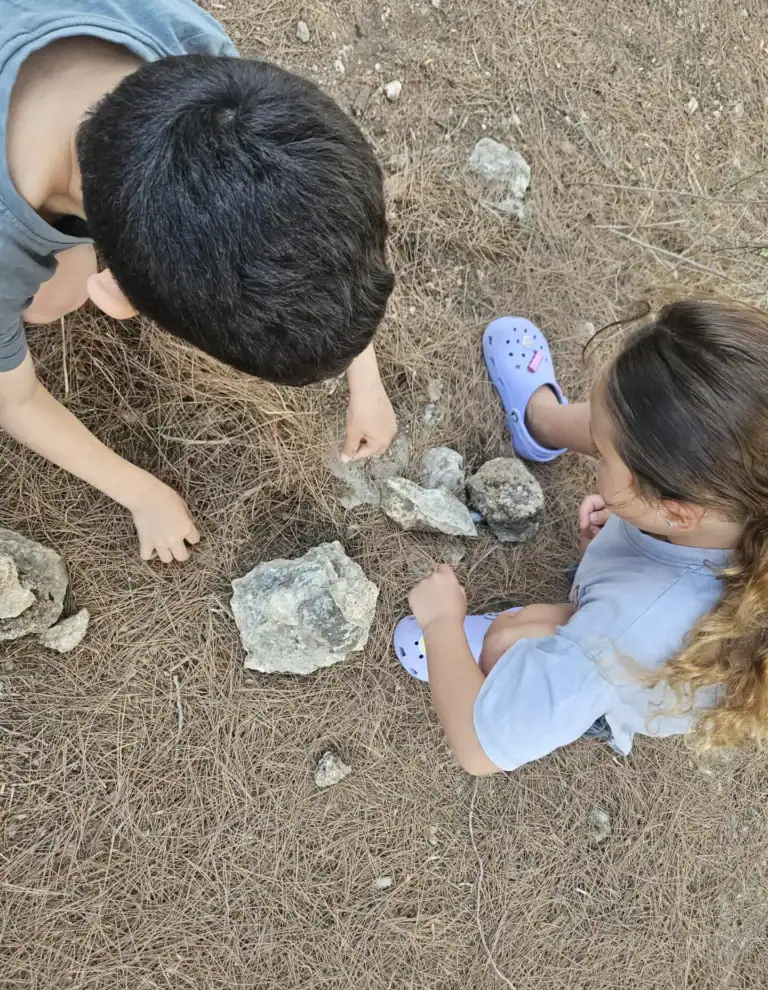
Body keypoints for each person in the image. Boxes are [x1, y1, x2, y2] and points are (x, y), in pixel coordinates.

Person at [0, 0, 396, 563]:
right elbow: (13, 401)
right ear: (113, 295)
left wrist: (365, 373)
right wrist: (142, 494)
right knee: (47, 301)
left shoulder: (203, 74)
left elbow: (305, 224)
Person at [395, 299, 768, 774]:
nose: (594, 458)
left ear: (672, 509)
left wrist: (441, 623)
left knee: (507, 640)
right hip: (640, 595)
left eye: (601, 453)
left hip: (629, 667)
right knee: (629, 426)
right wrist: (626, 527)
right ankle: (542, 423)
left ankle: (487, 668)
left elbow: (477, 750)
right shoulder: (733, 497)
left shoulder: (622, 636)